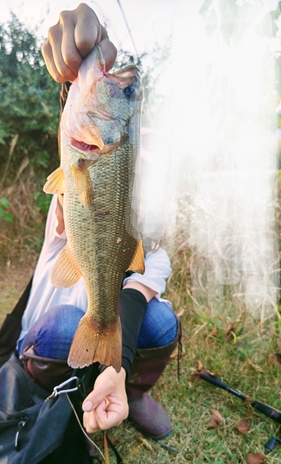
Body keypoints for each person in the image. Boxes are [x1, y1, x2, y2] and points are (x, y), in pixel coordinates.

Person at [18, 3, 180, 441]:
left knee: (162, 320)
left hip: (106, 338)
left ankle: (123, 388)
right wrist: (82, 61)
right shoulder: (73, 188)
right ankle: (52, 396)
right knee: (69, 323)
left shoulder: (152, 250)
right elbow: (78, 139)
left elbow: (129, 301)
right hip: (46, 337)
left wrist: (117, 367)